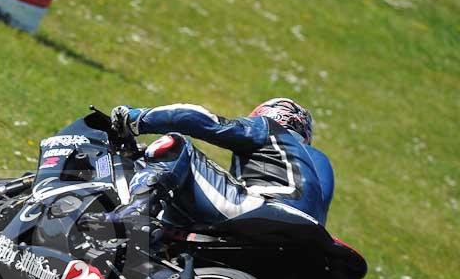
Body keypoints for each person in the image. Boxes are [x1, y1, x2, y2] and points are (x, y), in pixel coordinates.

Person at [82, 98, 335, 235]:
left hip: (267, 211)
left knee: (176, 145)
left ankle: (135, 212)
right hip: (304, 236)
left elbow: (200, 120)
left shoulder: (270, 129)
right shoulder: (317, 163)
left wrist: (135, 119)